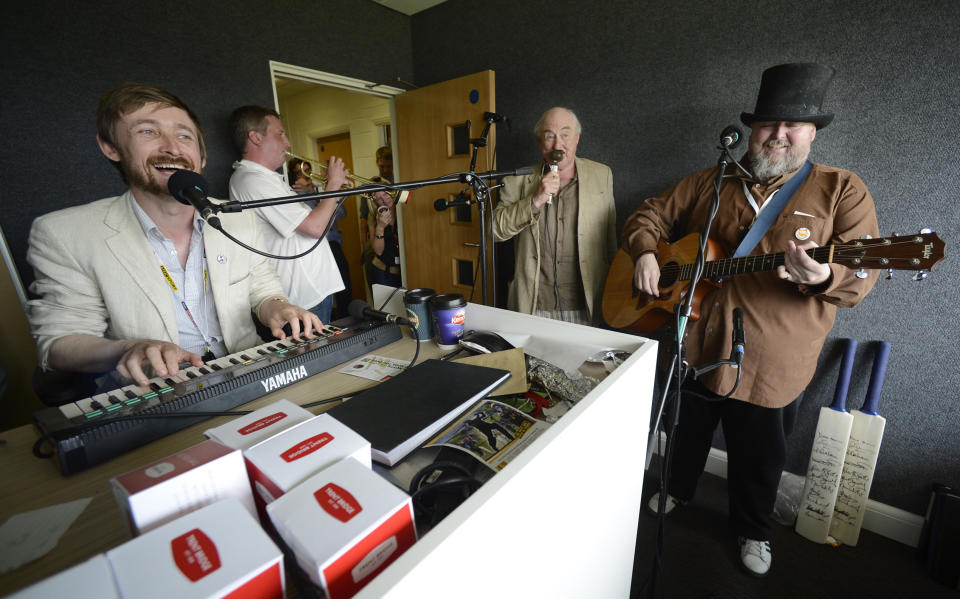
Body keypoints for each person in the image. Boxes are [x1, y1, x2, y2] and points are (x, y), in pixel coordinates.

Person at [622, 63, 880, 577]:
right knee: (688, 430)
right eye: (768, 125)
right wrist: (646, 252)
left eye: (793, 126)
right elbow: (647, 215)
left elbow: (863, 272)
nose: (779, 135)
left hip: (774, 360)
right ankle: (678, 488)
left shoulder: (841, 190)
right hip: (698, 340)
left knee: (759, 454)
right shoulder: (710, 181)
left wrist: (824, 274)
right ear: (752, 130)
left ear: (813, 133)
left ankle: (753, 529)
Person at [26, 83, 322, 392]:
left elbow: (263, 288)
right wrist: (128, 348)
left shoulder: (238, 217)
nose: (172, 148)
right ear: (110, 146)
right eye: (148, 132)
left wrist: (277, 306)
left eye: (184, 136)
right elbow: (59, 344)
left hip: (253, 374)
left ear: (201, 155)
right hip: (156, 393)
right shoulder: (64, 234)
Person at [492, 107, 617, 325]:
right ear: (540, 142)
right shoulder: (517, 179)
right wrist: (534, 201)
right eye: (549, 136)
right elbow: (494, 231)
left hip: (586, 304)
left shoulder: (602, 175)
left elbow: (610, 240)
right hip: (533, 306)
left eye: (565, 135)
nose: (558, 145)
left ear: (577, 139)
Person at [228, 106, 346, 324]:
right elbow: (315, 228)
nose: (288, 142)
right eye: (280, 134)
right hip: (301, 298)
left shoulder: (269, 179)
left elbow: (321, 224)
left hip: (313, 290)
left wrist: (334, 192)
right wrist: (333, 187)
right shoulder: (252, 180)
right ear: (255, 137)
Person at [287, 157, 353, 319]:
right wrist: (305, 194)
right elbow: (311, 222)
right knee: (324, 293)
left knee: (345, 287)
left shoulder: (321, 189)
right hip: (314, 249)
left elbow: (343, 213)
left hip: (333, 245)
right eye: (298, 172)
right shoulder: (293, 194)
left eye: (306, 170)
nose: (304, 175)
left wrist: (326, 192)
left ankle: (348, 323)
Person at [367, 188, 401, 287]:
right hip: (384, 271)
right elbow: (378, 251)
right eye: (379, 199)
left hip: (406, 269)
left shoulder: (403, 208)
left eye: (386, 194)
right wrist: (380, 227)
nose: (385, 200)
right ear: (375, 202)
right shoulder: (373, 215)